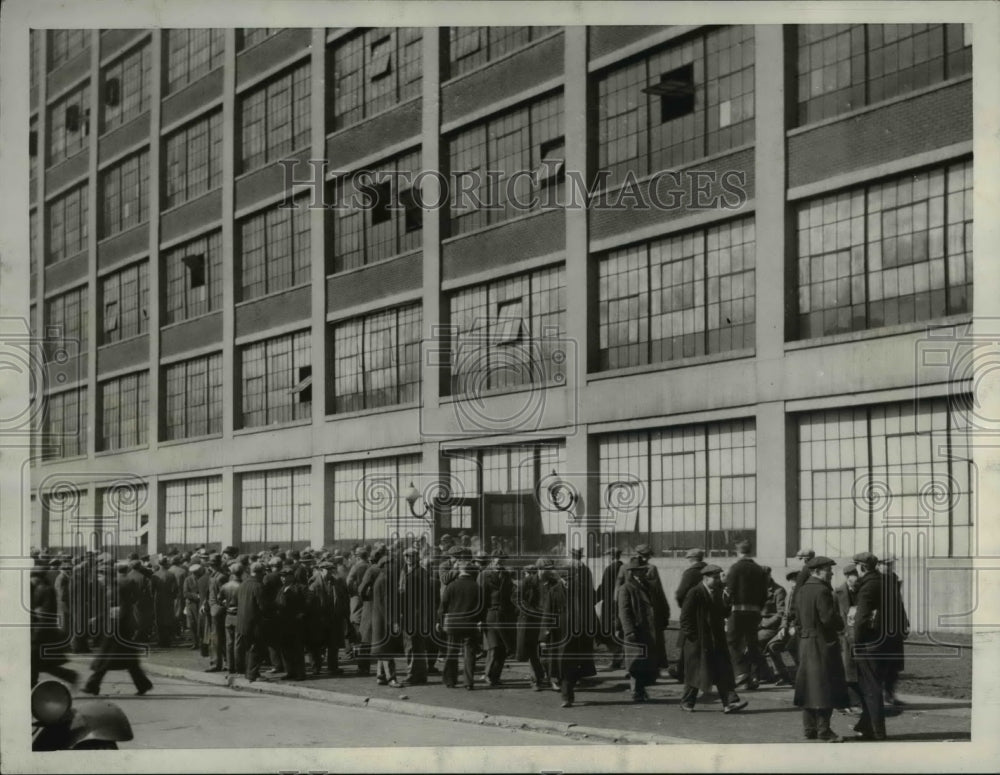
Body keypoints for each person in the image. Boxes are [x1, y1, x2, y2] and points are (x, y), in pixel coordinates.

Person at [793, 556, 848, 742]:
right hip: (823, 643)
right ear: (816, 571)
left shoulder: (801, 591)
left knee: (809, 686)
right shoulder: (822, 591)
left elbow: (797, 617)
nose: (831, 573)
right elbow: (827, 619)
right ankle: (824, 731)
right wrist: (842, 624)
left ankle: (809, 728)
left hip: (805, 642)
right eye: (827, 569)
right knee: (826, 687)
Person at [678, 564, 746, 713]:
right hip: (698, 641)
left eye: (718, 578)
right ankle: (687, 702)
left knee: (723, 671)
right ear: (705, 578)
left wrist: (728, 599)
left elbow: (724, 614)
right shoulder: (694, 593)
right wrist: (694, 637)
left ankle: (730, 702)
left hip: (716, 640)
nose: (718, 581)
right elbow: (685, 619)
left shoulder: (718, 592)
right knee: (697, 673)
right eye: (714, 578)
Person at [83, 562, 154, 696]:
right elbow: (111, 610)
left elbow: (120, 610)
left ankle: (92, 685)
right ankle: (143, 684)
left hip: (116, 631)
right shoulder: (112, 588)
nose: (99, 579)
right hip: (118, 629)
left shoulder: (114, 590)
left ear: (107, 576)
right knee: (129, 661)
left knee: (105, 659)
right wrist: (97, 619)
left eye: (100, 576)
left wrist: (111, 624)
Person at [539, 558, 592, 708]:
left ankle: (569, 691)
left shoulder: (582, 589)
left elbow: (589, 612)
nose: (567, 579)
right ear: (560, 578)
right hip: (559, 633)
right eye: (564, 577)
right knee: (563, 665)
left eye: (570, 576)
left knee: (575, 666)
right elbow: (547, 614)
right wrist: (544, 636)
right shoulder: (553, 591)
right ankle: (566, 696)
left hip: (579, 634)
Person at [852, 551, 888, 741]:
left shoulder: (867, 587)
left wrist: (855, 642)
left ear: (862, 567)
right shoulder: (885, 582)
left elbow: (861, 619)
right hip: (884, 641)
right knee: (873, 684)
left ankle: (877, 731)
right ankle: (866, 726)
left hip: (869, 642)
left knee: (870, 687)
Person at [725, 539, 769, 690]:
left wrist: (725, 610)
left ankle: (741, 673)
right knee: (752, 643)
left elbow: (729, 591)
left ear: (737, 552)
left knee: (733, 642)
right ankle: (754, 676)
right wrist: (758, 608)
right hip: (755, 612)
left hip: (736, 611)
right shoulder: (759, 569)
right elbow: (764, 593)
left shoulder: (735, 568)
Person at [438, 560, 485, 690]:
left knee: (451, 653)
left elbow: (443, 607)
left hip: (453, 625)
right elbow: (481, 608)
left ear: (460, 571)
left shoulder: (451, 586)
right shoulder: (477, 587)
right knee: (469, 654)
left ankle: (450, 680)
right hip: (471, 624)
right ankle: (468, 682)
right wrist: (480, 621)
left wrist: (440, 621)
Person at [616, 558, 658, 702]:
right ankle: (636, 691)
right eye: (641, 570)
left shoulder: (647, 586)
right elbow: (624, 612)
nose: (644, 572)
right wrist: (629, 631)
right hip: (635, 630)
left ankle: (640, 690)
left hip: (647, 629)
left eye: (644, 569)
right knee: (635, 663)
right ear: (633, 572)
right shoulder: (626, 588)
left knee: (644, 662)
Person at [30, 569, 78, 687]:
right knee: (38, 663)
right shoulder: (41, 589)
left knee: (36, 662)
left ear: (36, 577)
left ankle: (70, 676)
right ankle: (69, 676)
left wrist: (36, 634)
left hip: (43, 634)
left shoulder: (45, 590)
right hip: (42, 632)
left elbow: (45, 615)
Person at [668, 548, 707, 682]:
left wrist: (683, 606)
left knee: (688, 641)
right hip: (707, 612)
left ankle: (682, 672)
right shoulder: (709, 571)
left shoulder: (690, 573)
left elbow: (680, 593)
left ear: (690, 558)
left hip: (691, 611)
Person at [479, 549, 516, 686]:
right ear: (492, 559)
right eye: (498, 558)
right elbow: (480, 599)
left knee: (503, 648)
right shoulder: (484, 575)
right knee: (493, 647)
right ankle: (488, 674)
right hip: (490, 615)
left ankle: (496, 676)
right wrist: (479, 619)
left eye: (503, 559)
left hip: (504, 616)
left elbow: (510, 595)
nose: (500, 561)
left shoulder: (506, 575)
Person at [878, 554, 910, 706]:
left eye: (892, 564)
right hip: (882, 630)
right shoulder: (875, 580)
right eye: (887, 564)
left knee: (894, 665)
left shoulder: (894, 579)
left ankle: (890, 695)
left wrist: (905, 623)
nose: (891, 567)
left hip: (895, 630)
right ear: (879, 565)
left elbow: (899, 603)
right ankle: (879, 695)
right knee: (881, 665)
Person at [398, 547, 432, 685]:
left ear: (416, 557)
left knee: (414, 645)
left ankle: (413, 675)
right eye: (405, 556)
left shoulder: (421, 573)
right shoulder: (404, 572)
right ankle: (420, 675)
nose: (407, 558)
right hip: (408, 613)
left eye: (410, 556)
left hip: (416, 614)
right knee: (414, 645)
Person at [370, 547, 403, 688]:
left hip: (380, 620)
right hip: (385, 621)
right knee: (387, 650)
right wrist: (394, 622)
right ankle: (392, 678)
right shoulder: (387, 580)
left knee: (383, 649)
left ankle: (380, 676)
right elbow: (388, 604)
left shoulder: (381, 578)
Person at [833, 563, 863, 712]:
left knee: (857, 669)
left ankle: (855, 701)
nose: (857, 579)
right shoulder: (837, 593)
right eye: (855, 576)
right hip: (844, 636)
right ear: (847, 577)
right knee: (847, 669)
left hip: (858, 636)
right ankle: (847, 702)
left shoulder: (861, 591)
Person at [515, 560, 548, 690]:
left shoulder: (550, 582)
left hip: (545, 620)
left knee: (545, 651)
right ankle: (536, 680)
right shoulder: (527, 582)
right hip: (530, 621)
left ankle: (545, 677)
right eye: (546, 568)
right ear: (540, 569)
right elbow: (516, 598)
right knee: (533, 651)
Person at [236, 562, 268, 682]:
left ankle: (248, 672)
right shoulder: (258, 586)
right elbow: (262, 606)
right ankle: (253, 674)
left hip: (242, 622)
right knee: (256, 648)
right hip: (255, 623)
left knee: (248, 648)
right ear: (260, 572)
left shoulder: (243, 584)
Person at [275, 564, 307, 680]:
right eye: (281, 576)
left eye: (285, 576)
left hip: (295, 624)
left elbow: (308, 602)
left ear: (292, 577)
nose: (283, 578)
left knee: (297, 649)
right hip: (283, 623)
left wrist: (302, 613)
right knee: (286, 649)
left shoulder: (300, 588)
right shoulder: (281, 589)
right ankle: (290, 671)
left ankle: (300, 673)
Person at [595, 547, 623, 669]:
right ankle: (618, 658)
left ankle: (617, 656)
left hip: (610, 605)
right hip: (622, 604)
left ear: (611, 556)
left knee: (605, 632)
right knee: (619, 631)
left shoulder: (609, 569)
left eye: (607, 556)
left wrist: (594, 598)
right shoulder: (624, 567)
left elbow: (604, 588)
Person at [756, 566, 786, 683]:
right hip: (758, 625)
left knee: (755, 640)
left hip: (773, 627)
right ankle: (763, 673)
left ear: (769, 575)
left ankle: (772, 673)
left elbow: (781, 613)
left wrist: (763, 624)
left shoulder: (778, 591)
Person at [219, 563, 244, 676]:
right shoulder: (243, 586)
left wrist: (226, 604)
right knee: (238, 643)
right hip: (239, 615)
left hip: (228, 615)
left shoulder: (225, 586)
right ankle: (239, 667)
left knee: (229, 643)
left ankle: (230, 666)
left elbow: (220, 599)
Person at [205, 555, 229, 673]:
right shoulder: (215, 576)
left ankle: (215, 663)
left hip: (216, 609)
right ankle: (225, 662)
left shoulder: (220, 577)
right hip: (214, 607)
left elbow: (223, 594)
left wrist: (218, 604)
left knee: (216, 638)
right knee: (220, 637)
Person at [152, 558, 178, 648]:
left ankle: (161, 640)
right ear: (166, 564)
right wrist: (173, 596)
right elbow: (175, 589)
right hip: (168, 598)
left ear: (159, 564)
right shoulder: (171, 574)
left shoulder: (155, 575)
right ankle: (168, 640)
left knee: (159, 619)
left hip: (158, 599)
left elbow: (151, 589)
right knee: (168, 619)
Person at [183, 563, 205, 651]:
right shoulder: (188, 580)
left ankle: (202, 642)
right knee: (192, 624)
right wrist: (196, 596)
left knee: (201, 623)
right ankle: (195, 642)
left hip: (201, 604)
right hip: (191, 604)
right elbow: (185, 593)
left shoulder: (203, 578)